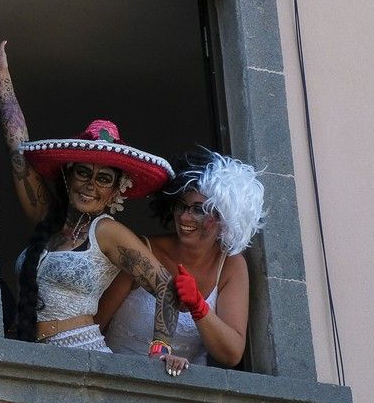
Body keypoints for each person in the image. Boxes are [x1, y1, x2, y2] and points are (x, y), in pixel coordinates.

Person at [0, 40, 192, 376]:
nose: (90, 184)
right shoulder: (47, 218)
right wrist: (3, 79)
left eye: (103, 179)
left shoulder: (106, 232)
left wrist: (160, 350)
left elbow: (166, 286)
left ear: (115, 191)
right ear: (68, 175)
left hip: (84, 358)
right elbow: (19, 153)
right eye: (83, 172)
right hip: (33, 358)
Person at [98, 149, 265, 368]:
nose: (184, 217)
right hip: (117, 377)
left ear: (224, 216)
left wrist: (198, 306)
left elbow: (231, 354)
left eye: (197, 210)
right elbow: (97, 323)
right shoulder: (143, 250)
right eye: (181, 206)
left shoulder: (231, 266)